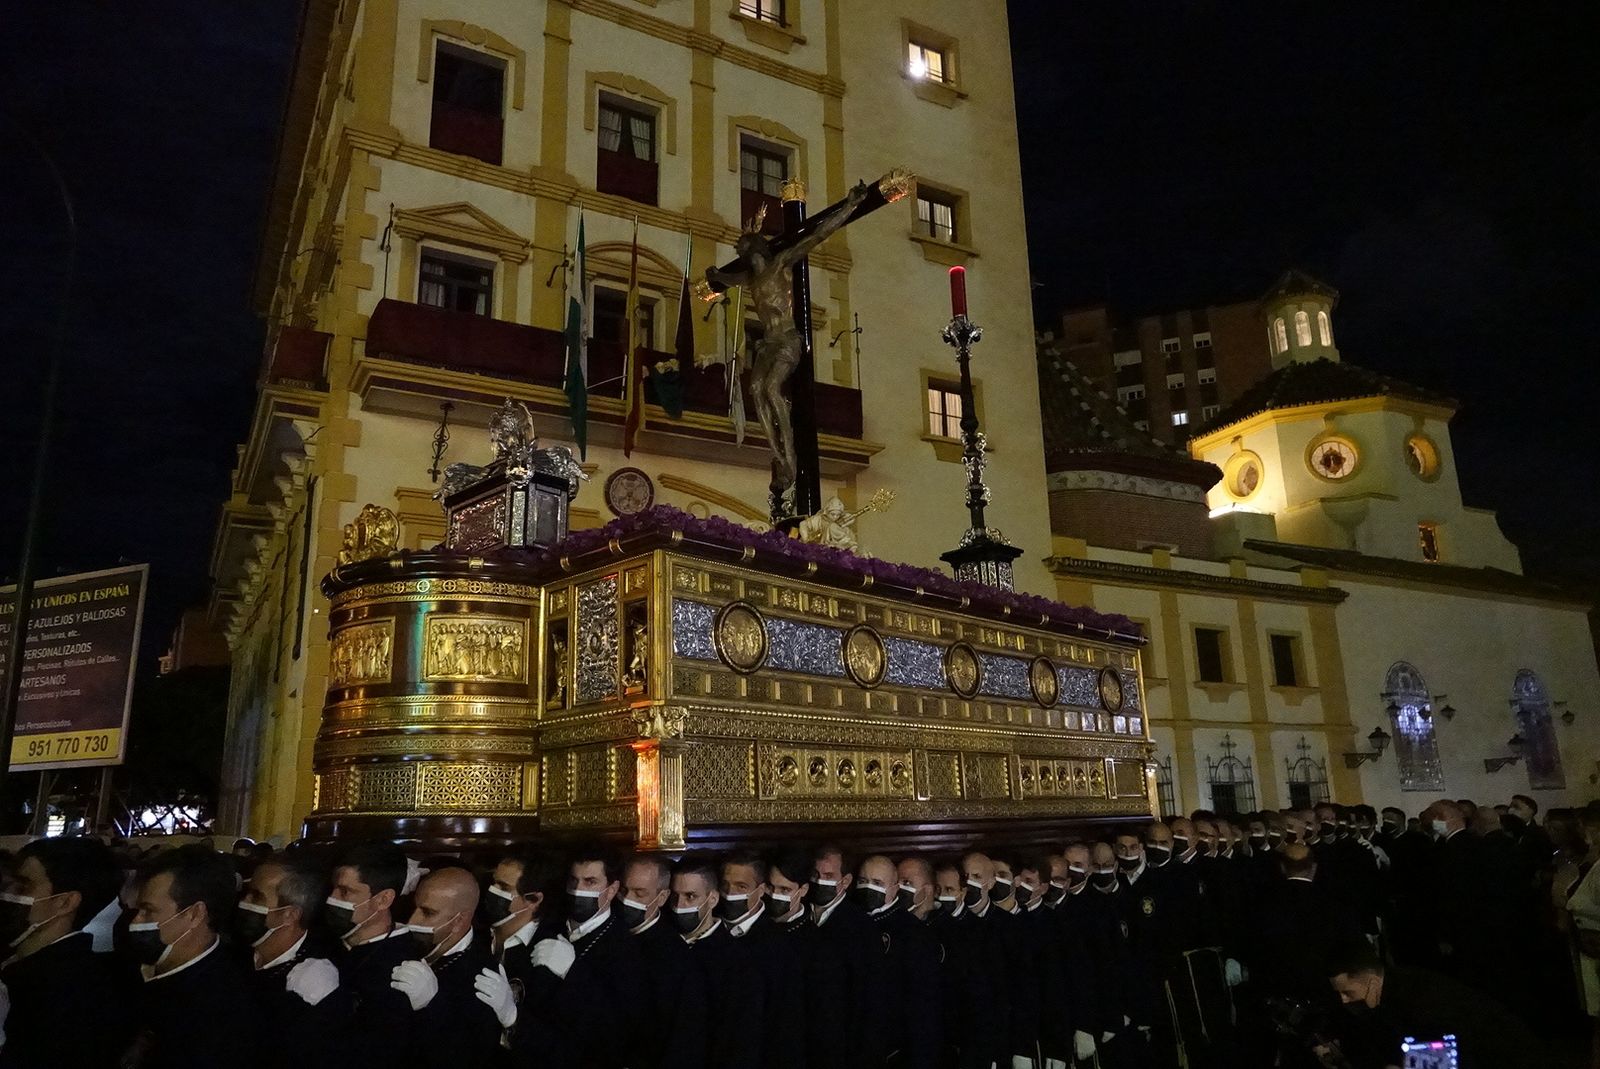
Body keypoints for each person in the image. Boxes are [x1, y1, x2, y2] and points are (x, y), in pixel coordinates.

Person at [0, 836, 134, 1068]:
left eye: (23, 886)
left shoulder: (73, 995)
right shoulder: (21, 967)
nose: (8, 894)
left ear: (65, 902)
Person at [1327, 939, 1567, 1069]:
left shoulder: (1414, 1002)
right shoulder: (1400, 985)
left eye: (1348, 992)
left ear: (1370, 980)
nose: (1344, 1000)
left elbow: (1441, 1056)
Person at [126, 844, 263, 1068]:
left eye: (148, 911)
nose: (136, 922)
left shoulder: (223, 1010)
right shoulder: (136, 969)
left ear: (194, 914)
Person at [238, 853, 341, 1065]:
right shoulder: (237, 952)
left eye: (256, 897)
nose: (244, 902)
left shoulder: (313, 978)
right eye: (247, 893)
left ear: (290, 914)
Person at [395, 867, 502, 1067]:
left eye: (428, 913)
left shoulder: (483, 977)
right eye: (414, 909)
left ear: (459, 921)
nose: (412, 921)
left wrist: (432, 1006)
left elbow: (469, 1056)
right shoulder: (402, 945)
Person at [326, 841, 417, 1066]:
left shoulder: (401, 967)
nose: (332, 898)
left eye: (345, 892)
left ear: (383, 899)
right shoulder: (326, 941)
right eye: (333, 889)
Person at [671, 858, 762, 1069]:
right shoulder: (665, 949)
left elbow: (741, 1040)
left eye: (690, 897)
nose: (680, 906)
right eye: (675, 897)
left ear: (712, 899)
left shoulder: (738, 961)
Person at [622, 853, 706, 1069]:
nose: (627, 900)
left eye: (639, 894)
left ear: (661, 898)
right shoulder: (614, 934)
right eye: (624, 891)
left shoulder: (674, 955)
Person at [858, 853, 941, 1066]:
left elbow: (923, 1009)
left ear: (894, 888)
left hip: (896, 1049)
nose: (869, 888)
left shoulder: (913, 932)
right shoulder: (852, 922)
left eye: (877, 883)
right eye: (863, 881)